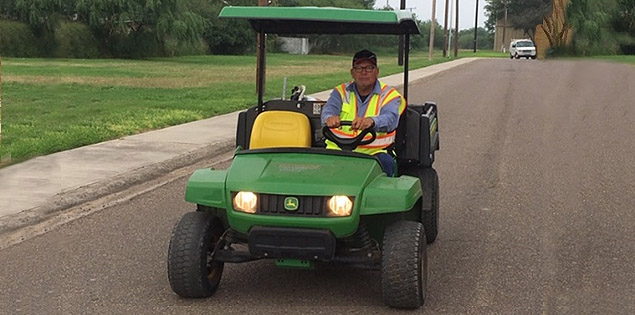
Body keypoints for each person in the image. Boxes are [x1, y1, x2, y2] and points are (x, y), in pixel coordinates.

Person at [321, 49, 406, 176]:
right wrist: (329, 118)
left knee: (386, 163)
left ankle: (381, 196)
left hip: (374, 153)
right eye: (359, 68)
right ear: (352, 73)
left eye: (369, 68)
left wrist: (371, 121)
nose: (364, 72)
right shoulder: (340, 92)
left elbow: (391, 119)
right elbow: (329, 109)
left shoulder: (389, 95)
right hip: (338, 151)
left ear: (377, 72)